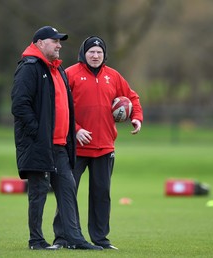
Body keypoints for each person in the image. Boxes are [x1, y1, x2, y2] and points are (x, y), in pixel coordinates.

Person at [11, 26, 103, 251]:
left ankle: (74, 238)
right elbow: (20, 105)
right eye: (55, 41)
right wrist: (39, 132)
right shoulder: (29, 68)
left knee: (67, 190)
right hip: (39, 145)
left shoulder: (57, 70)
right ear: (40, 43)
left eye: (59, 41)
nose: (59, 45)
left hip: (60, 145)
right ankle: (36, 240)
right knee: (38, 193)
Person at [55, 36, 143, 250]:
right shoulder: (70, 74)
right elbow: (59, 106)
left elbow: (132, 98)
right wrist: (75, 130)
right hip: (76, 147)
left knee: (101, 194)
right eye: (91, 52)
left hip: (104, 147)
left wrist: (136, 118)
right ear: (83, 53)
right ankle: (62, 238)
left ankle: (100, 239)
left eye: (99, 52)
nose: (95, 56)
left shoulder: (113, 76)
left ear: (104, 55)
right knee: (68, 193)